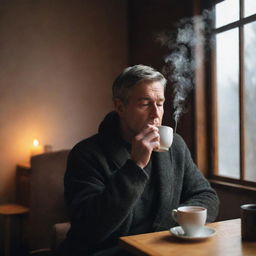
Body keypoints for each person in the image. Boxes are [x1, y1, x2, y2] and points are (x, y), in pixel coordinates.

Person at [61, 64, 219, 256]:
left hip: (161, 250)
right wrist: (135, 166)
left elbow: (207, 196)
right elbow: (89, 229)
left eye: (159, 103)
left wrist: (177, 224)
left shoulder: (175, 146)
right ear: (120, 107)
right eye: (145, 104)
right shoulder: (87, 154)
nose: (156, 114)